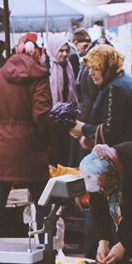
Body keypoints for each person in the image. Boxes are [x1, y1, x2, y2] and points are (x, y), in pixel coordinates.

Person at [0, 37, 53, 242]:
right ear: (38, 54)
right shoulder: (39, 77)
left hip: (2, 150)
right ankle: (46, 253)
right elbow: (41, 114)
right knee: (42, 203)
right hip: (31, 150)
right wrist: (48, 141)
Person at [69, 45, 132, 149]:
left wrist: (83, 129)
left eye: (95, 68)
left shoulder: (115, 88)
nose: (90, 73)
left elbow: (111, 131)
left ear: (107, 66)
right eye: (89, 68)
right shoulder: (126, 80)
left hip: (125, 153)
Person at [46, 34, 80, 167]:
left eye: (67, 50)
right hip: (52, 119)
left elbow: (73, 92)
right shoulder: (47, 68)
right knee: (55, 155)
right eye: (61, 51)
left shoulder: (68, 67)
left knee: (66, 155)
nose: (65, 54)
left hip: (66, 118)